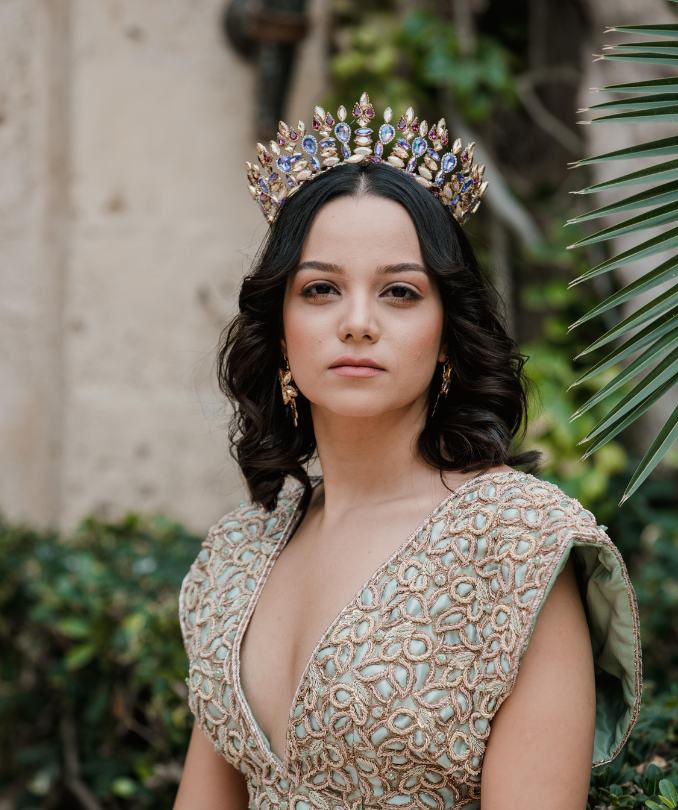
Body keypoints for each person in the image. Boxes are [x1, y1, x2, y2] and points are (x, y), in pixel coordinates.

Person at [174, 92, 642, 810]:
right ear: (282, 328)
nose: (358, 323)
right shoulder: (240, 551)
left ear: (449, 332)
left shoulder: (519, 544)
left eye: (398, 291)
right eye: (322, 288)